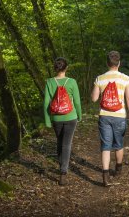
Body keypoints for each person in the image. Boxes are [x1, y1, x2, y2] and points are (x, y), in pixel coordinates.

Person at [91, 51, 129, 186]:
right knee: (119, 144)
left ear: (107, 63)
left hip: (104, 116)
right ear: (119, 63)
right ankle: (118, 168)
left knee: (106, 145)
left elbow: (94, 99)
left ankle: (105, 177)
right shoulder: (125, 78)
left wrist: (95, 87)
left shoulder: (100, 78)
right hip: (120, 116)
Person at [43, 57, 82, 186]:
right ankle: (63, 171)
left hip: (56, 118)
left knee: (60, 142)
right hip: (71, 117)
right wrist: (80, 115)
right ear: (66, 68)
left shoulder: (49, 82)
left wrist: (48, 120)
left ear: (55, 68)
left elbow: (46, 104)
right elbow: (76, 101)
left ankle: (62, 166)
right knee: (67, 144)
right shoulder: (72, 82)